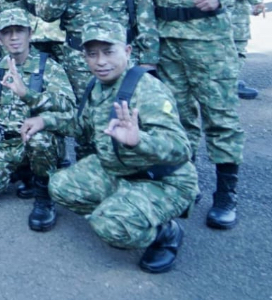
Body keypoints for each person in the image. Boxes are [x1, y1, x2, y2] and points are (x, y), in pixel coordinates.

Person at [126, 0, 255, 230]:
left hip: (209, 38)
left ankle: (226, 193)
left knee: (220, 116)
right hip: (165, 41)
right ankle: (187, 182)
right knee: (177, 118)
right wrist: (145, 47)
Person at [47, 21, 199, 274]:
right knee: (60, 186)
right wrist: (44, 121)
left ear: (127, 51)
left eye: (109, 52)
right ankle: (124, 207)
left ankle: (166, 232)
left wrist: (139, 141)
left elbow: (181, 149)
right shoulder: (96, 85)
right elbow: (81, 125)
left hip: (162, 180)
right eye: (92, 54)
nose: (100, 62)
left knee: (110, 225)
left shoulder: (148, 90)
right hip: (119, 170)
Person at [0, 9, 73, 232]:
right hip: (11, 144)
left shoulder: (49, 68)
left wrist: (29, 96)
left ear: (30, 33)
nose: (14, 37)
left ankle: (44, 195)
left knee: (39, 139)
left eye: (19, 31)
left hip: (42, 141)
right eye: (7, 32)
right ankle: (21, 171)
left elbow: (70, 113)